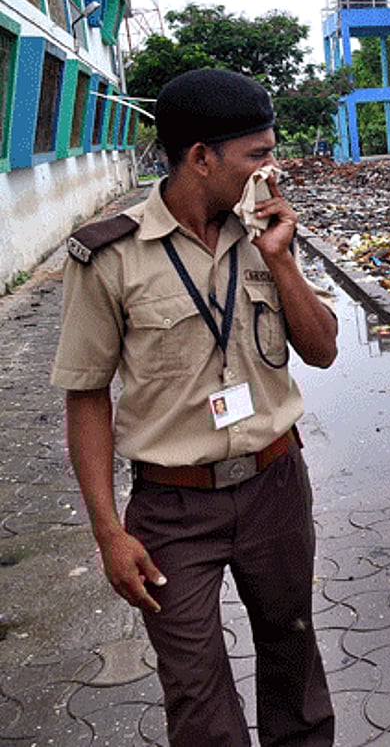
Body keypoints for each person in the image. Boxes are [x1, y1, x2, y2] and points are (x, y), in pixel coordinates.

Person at [51, 68, 338, 746]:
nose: (273, 168)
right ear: (201, 157)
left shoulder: (266, 229)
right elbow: (86, 397)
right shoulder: (110, 255)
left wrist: (286, 261)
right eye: (258, 154)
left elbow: (322, 349)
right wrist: (107, 533)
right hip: (173, 510)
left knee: (294, 664)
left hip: (275, 486)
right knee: (197, 692)